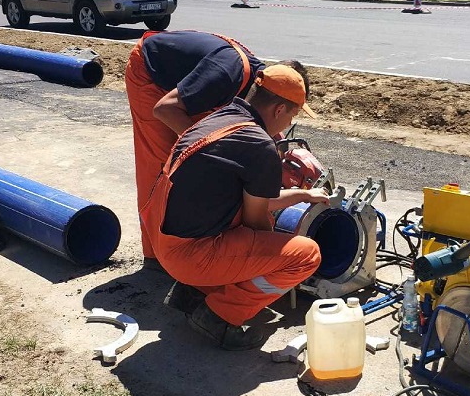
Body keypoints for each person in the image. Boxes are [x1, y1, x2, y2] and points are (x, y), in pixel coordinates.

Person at [139, 64, 328, 350]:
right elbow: (257, 222)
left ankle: (191, 293)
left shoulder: (221, 119)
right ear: (279, 110)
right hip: (191, 256)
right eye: (292, 115)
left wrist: (301, 196)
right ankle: (220, 315)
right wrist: (272, 256)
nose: (289, 123)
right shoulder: (258, 145)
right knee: (305, 256)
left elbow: (241, 197)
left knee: (241, 218)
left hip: (165, 242)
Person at [125, 30, 309, 271]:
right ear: (278, 105)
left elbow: (253, 122)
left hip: (191, 89)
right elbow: (165, 109)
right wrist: (213, 146)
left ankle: (203, 240)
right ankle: (155, 256)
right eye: (291, 113)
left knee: (213, 161)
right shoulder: (226, 72)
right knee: (164, 165)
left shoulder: (259, 85)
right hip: (151, 77)